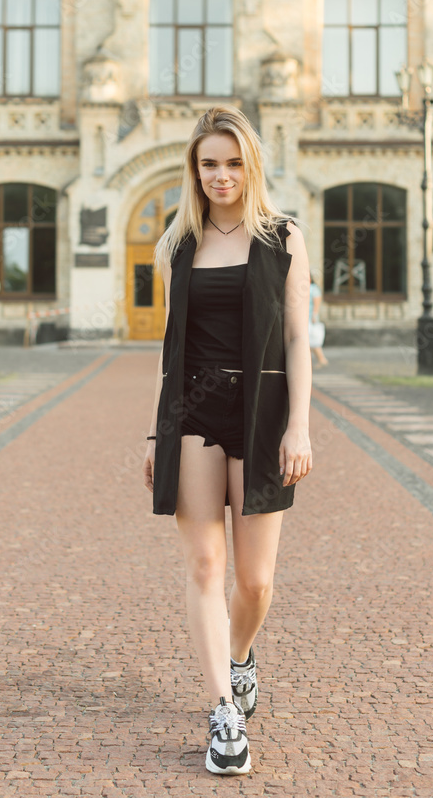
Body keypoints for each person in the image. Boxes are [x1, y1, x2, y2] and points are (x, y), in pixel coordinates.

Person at [143, 105, 313, 776]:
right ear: (194, 168)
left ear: (252, 166)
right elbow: (169, 344)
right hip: (192, 411)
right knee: (205, 569)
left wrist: (300, 423)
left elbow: (298, 336)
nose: (221, 175)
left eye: (233, 163)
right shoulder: (175, 243)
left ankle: (241, 658)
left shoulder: (282, 237)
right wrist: (154, 428)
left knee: (255, 579)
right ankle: (223, 713)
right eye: (209, 163)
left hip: (263, 410)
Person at [309, 273, 328, 367]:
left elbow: (316, 304)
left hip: (310, 319)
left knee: (312, 341)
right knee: (308, 343)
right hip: (305, 319)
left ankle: (322, 359)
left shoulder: (314, 288)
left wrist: (314, 316)